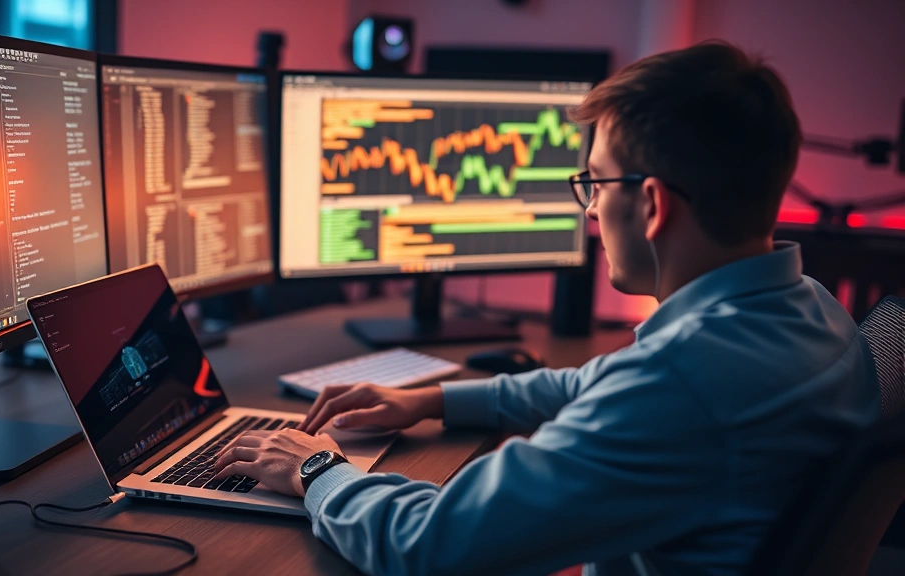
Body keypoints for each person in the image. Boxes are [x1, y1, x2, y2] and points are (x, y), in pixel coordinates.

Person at [215, 41, 880, 576]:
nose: (589, 208)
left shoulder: (680, 384)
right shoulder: (812, 309)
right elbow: (591, 384)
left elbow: (427, 546)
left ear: (651, 205)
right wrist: (435, 400)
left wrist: (315, 469)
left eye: (595, 181)